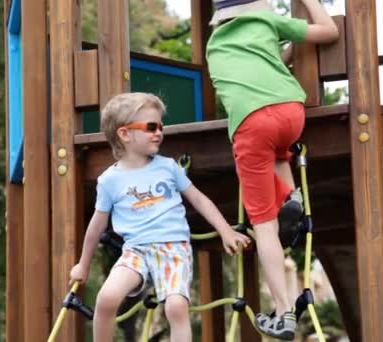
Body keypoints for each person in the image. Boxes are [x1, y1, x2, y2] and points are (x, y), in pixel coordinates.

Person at [69, 92, 251, 342]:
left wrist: (225, 231)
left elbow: (198, 198)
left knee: (176, 306)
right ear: (125, 134)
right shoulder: (109, 181)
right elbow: (96, 226)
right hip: (136, 251)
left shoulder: (167, 167)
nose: (159, 132)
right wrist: (83, 264)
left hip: (174, 249)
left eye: (160, 127)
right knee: (106, 297)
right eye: (151, 127)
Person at [206, 0, 339, 339]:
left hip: (252, 123)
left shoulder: (214, 45)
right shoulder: (268, 22)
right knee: (278, 151)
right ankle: (291, 196)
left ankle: (283, 311)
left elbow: (250, 71)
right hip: (291, 112)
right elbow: (329, 31)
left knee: (262, 225)